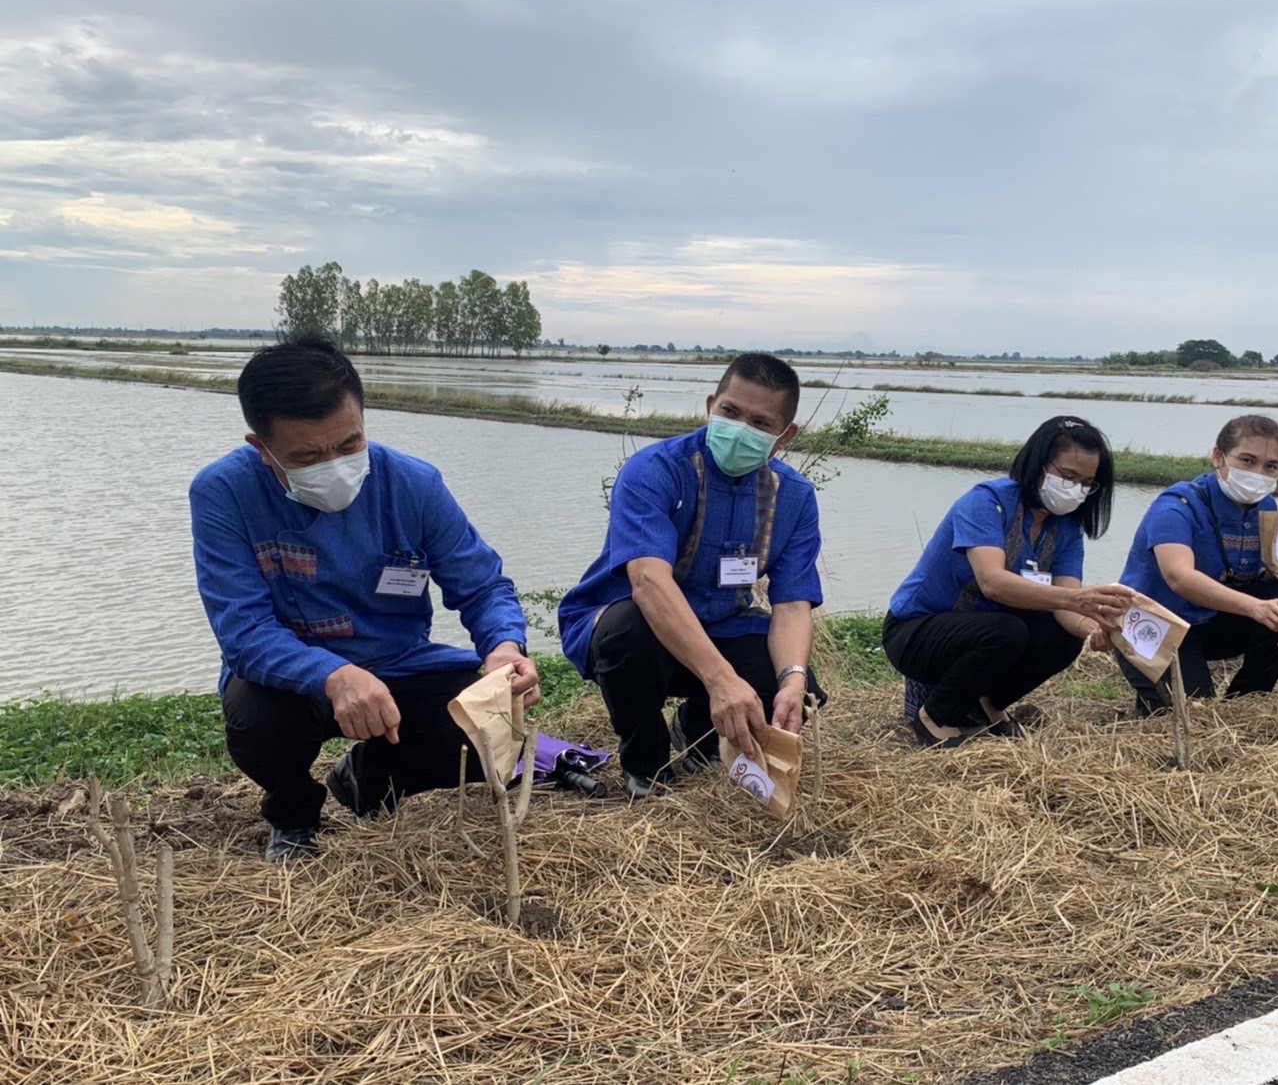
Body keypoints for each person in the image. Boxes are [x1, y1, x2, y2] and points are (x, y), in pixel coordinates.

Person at [189, 332, 539, 862]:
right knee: (256, 718)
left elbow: (483, 585)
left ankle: (368, 779)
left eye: (349, 444)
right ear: (260, 448)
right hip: (292, 681)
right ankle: (293, 815)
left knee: (485, 728)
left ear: (363, 421)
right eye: (306, 456)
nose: (334, 464)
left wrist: (504, 648)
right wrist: (333, 675)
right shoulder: (222, 493)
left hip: (399, 663)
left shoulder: (413, 484)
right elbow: (244, 632)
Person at [558, 353, 824, 799]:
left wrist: (793, 681)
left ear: (785, 436)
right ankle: (646, 768)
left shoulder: (794, 497)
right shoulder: (656, 471)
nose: (740, 429)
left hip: (722, 624)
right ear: (710, 405)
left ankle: (697, 733)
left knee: (790, 681)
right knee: (630, 633)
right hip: (634, 628)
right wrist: (720, 680)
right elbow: (648, 582)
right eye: (731, 412)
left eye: (760, 423)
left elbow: (793, 603)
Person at [883, 416, 1134, 745]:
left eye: (1087, 483)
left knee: (1062, 636)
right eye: (1068, 476)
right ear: (1038, 465)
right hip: (916, 631)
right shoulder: (987, 502)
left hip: (985, 632)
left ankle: (990, 703)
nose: (1077, 490)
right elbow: (993, 583)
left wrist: (1095, 629)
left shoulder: (1067, 528)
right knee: (1006, 631)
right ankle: (935, 716)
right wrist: (1077, 600)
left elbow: (1068, 604)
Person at [1116, 414, 1278, 716]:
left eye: (1270, 466)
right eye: (1247, 461)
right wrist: (1254, 607)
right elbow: (1179, 578)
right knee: (1191, 716)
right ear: (1217, 457)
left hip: (1208, 621)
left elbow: (1248, 573)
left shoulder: (1265, 506)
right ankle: (1154, 689)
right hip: (1155, 624)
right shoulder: (1176, 506)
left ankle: (1244, 703)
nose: (1258, 473)